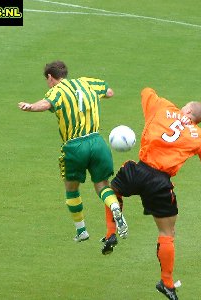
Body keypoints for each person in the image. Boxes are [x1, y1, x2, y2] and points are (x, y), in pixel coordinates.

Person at [101, 87, 201, 300]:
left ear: (187, 109)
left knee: (111, 190)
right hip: (161, 183)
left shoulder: (163, 107)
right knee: (167, 233)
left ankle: (110, 233)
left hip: (139, 170)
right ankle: (167, 283)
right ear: (197, 120)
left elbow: (146, 91)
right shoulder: (199, 136)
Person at [18, 60, 128, 243]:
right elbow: (109, 92)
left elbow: (45, 104)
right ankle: (114, 205)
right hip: (97, 142)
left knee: (71, 188)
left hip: (75, 147)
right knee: (102, 186)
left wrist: (30, 106)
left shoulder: (56, 91)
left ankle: (81, 230)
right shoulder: (86, 82)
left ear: (50, 77)